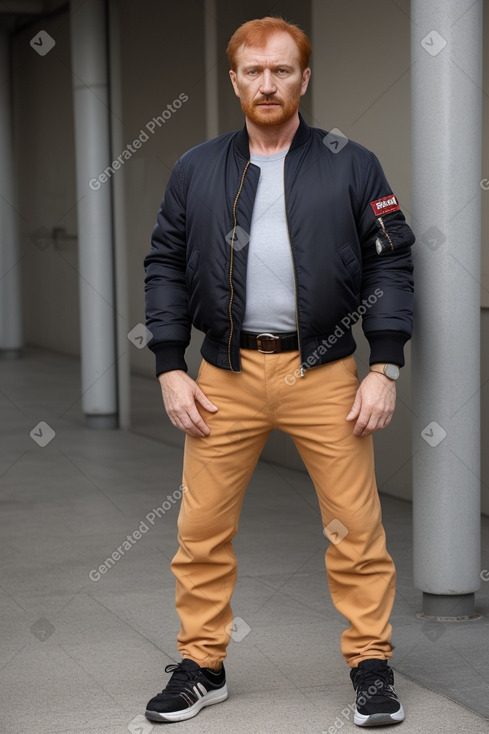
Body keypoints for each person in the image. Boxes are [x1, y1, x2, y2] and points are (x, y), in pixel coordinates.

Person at [143, 16, 414, 728]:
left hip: (324, 369)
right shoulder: (196, 167)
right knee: (200, 530)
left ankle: (371, 665)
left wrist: (383, 362)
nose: (268, 83)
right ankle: (202, 664)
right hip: (223, 372)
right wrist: (170, 365)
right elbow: (165, 263)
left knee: (354, 528)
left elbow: (390, 261)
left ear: (304, 78)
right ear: (233, 79)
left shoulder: (351, 163)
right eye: (254, 71)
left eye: (282, 70)